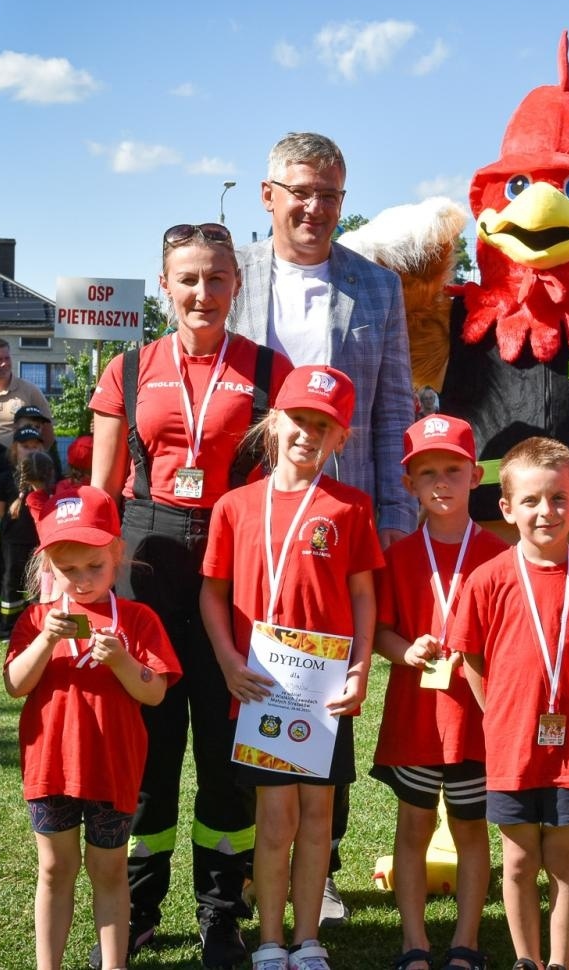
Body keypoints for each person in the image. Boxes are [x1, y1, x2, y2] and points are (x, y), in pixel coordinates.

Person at [89, 221, 292, 969]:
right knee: (149, 745)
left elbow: (283, 483)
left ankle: (221, 913)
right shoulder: (129, 369)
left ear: (236, 284)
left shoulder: (271, 369)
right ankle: (140, 908)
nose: (202, 292)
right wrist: (86, 579)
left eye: (216, 277)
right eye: (188, 278)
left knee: (226, 744)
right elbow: (102, 489)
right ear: (165, 284)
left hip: (234, 554)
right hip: (147, 557)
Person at [231, 132, 416, 922]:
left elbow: (395, 406)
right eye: (300, 191)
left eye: (331, 194)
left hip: (344, 529)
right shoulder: (232, 278)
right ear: (269, 195)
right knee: (245, 691)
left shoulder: (377, 289)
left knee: (328, 695)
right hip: (255, 525)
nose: (315, 208)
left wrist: (397, 514)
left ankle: (322, 868)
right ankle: (246, 869)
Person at [200, 366, 382, 970]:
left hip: (322, 688)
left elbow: (362, 596)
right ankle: (272, 941)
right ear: (275, 422)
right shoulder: (235, 506)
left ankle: (308, 940)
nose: (308, 434)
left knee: (318, 820)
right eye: (299, 421)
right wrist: (228, 661)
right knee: (274, 820)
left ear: (340, 438)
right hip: (261, 688)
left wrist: (358, 669)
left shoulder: (350, 508)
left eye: (322, 427)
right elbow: (213, 593)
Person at [3, 486, 180, 970]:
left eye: (94, 567)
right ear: (48, 568)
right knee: (55, 868)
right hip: (51, 767)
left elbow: (155, 691)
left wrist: (123, 661)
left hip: (112, 767)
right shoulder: (36, 618)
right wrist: (43, 641)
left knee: (109, 869)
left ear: (116, 554)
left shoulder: (138, 619)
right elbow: (16, 684)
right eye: (68, 570)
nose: (81, 581)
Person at [451, 438, 569, 970]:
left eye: (559, 498)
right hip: (512, 745)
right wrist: (494, 713)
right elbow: (470, 654)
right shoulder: (487, 579)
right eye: (532, 501)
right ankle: (525, 959)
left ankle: (560, 962)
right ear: (507, 508)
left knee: (563, 859)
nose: (547, 512)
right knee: (517, 860)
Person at [372, 414, 507, 970]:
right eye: (427, 472)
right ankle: (414, 944)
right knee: (414, 827)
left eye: (453, 469)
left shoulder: (501, 556)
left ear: (476, 476)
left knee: (471, 829)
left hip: (477, 720)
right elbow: (379, 630)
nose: (441, 483)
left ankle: (466, 942)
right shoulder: (398, 556)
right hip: (417, 719)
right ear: (408, 484)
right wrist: (403, 650)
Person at [0, 426, 56, 637]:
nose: (30, 450)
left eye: (34, 446)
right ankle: (8, 625)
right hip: (15, 540)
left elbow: (0, 511)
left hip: (36, 541)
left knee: (33, 582)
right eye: (25, 446)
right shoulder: (5, 478)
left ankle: (30, 622)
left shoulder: (47, 482)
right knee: (12, 580)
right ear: (14, 449)